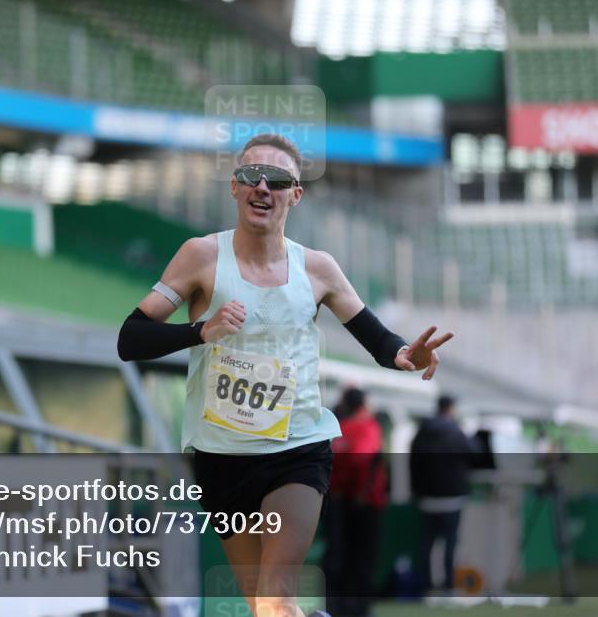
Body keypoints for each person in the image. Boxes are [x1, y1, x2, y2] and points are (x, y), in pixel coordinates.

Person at [117, 133, 453, 617]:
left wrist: (407, 354)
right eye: (251, 176)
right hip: (220, 457)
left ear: (295, 194)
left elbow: (380, 341)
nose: (262, 188)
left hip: (295, 449)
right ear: (234, 187)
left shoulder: (317, 269)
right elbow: (131, 338)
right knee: (264, 609)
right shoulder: (201, 257)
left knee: (277, 600)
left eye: (277, 180)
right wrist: (200, 330)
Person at [322, 387, 388, 617]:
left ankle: (337, 607)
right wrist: (361, 491)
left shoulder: (341, 429)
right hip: (365, 503)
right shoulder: (369, 427)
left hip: (340, 502)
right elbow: (363, 461)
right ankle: (358, 609)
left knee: (341, 556)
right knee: (362, 558)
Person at [409, 394, 479, 596]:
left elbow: (412, 463)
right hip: (452, 498)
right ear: (451, 409)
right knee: (450, 544)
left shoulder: (422, 433)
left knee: (426, 545)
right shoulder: (456, 432)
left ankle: (425, 588)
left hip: (426, 499)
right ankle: (449, 587)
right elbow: (473, 455)